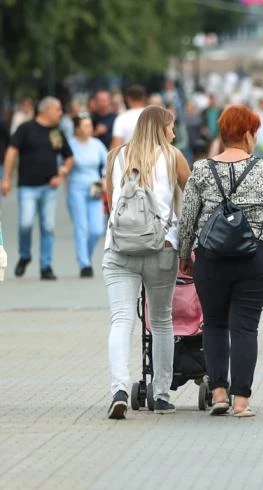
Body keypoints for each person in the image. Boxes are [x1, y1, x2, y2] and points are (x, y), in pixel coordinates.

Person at [178, 105, 263, 417]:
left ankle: (218, 394)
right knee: (245, 327)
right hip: (255, 257)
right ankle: (241, 401)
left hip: (210, 257)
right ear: (247, 134)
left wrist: (184, 255)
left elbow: (187, 219)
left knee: (214, 323)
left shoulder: (201, 169)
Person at [102, 106, 190, 419]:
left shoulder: (115, 157)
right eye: (171, 128)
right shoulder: (173, 156)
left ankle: (119, 390)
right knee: (162, 320)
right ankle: (161, 396)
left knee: (121, 319)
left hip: (120, 249)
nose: (174, 134)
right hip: (161, 247)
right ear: (161, 129)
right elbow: (192, 197)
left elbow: (111, 202)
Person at [2, 97, 74, 280]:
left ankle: (46, 266)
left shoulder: (56, 132)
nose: (60, 113)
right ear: (46, 110)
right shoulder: (25, 129)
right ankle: (25, 255)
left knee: (48, 226)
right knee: (25, 223)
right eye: (58, 109)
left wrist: (62, 173)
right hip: (27, 187)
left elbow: (69, 157)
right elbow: (11, 152)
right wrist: (6, 178)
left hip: (49, 187)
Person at [67, 115, 109, 277]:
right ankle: (84, 263)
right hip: (76, 188)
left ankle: (86, 255)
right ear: (77, 128)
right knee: (81, 226)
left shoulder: (96, 144)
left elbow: (107, 163)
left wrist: (104, 179)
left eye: (90, 125)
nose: (89, 128)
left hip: (94, 189)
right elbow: (63, 164)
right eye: (85, 125)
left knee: (97, 229)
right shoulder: (70, 145)